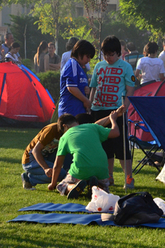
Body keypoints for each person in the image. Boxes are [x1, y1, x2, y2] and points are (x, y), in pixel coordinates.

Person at [90, 35, 135, 189]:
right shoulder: (99, 66)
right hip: (99, 109)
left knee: (121, 146)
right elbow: (93, 87)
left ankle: (128, 177)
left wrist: (124, 108)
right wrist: (90, 105)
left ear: (118, 53)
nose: (108, 58)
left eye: (111, 54)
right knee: (105, 146)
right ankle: (109, 176)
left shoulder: (126, 67)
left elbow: (130, 90)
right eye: (105, 54)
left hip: (117, 110)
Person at [47, 110, 121, 198]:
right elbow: (116, 133)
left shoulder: (64, 137)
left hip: (81, 169)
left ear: (65, 126)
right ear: (77, 122)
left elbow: (58, 164)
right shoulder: (92, 127)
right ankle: (97, 187)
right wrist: (113, 119)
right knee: (104, 187)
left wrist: (52, 184)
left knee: (62, 185)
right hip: (102, 168)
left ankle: (73, 187)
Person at [21, 120, 71, 190]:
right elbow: (35, 151)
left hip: (47, 156)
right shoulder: (52, 129)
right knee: (60, 174)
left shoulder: (70, 134)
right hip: (31, 160)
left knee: (66, 169)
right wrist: (46, 168)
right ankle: (29, 179)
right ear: (65, 126)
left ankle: (69, 181)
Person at [59, 40, 96, 117]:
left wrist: (86, 89)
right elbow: (71, 87)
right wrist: (86, 101)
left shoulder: (79, 67)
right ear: (80, 53)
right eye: (87, 57)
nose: (88, 60)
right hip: (70, 111)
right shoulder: (72, 64)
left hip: (78, 111)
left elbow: (78, 86)